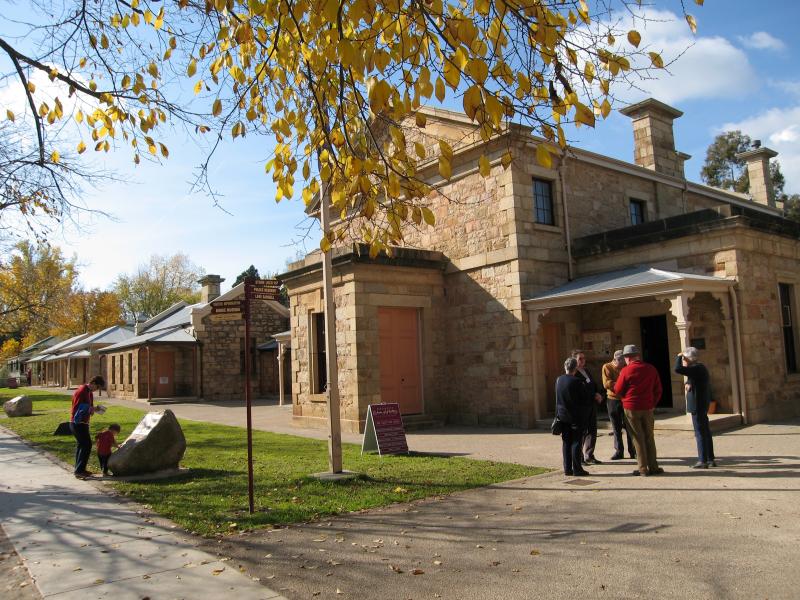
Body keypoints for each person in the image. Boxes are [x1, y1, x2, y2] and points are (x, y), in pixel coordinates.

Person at [614, 345, 664, 476]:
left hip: (631, 408)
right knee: (649, 436)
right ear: (638, 356)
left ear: (627, 358)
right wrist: (652, 403)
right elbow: (658, 389)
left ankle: (643, 468)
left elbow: (618, 390)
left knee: (637, 438)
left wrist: (625, 398)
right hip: (647, 407)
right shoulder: (651, 369)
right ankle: (653, 466)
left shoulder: (626, 371)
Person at [675, 347, 716, 468]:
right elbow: (691, 379)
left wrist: (678, 356)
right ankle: (710, 458)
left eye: (684, 359)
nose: (683, 360)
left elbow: (677, 369)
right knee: (705, 431)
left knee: (700, 432)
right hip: (701, 404)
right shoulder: (698, 368)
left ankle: (702, 460)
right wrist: (688, 383)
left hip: (698, 405)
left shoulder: (696, 368)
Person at [555, 356, 592, 476]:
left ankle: (567, 468)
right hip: (576, 416)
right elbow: (585, 399)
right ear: (575, 369)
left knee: (566, 442)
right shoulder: (577, 381)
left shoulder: (559, 380)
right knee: (576, 442)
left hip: (563, 415)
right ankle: (577, 468)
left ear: (565, 367)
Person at [602, 350, 636, 460]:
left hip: (626, 399)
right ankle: (619, 451)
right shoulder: (607, 367)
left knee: (629, 426)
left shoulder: (626, 367)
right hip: (613, 399)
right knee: (616, 427)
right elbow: (607, 383)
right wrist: (620, 385)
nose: (624, 363)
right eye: (622, 361)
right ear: (616, 359)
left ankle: (633, 451)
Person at [70, 375, 105, 479]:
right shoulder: (82, 391)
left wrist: (94, 409)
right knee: (86, 445)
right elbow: (78, 408)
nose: (97, 390)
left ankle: (79, 469)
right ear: (93, 383)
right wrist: (91, 409)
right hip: (77, 423)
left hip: (84, 423)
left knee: (82, 445)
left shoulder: (89, 393)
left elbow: (88, 407)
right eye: (97, 387)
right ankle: (79, 470)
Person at [572, 349, 604, 465]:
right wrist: (593, 395)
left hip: (591, 405)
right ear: (574, 360)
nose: (582, 361)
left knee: (592, 430)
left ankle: (589, 455)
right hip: (582, 407)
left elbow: (593, 385)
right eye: (580, 358)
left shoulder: (586, 371)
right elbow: (581, 390)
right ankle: (579, 457)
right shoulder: (574, 373)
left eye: (584, 358)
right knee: (582, 432)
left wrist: (598, 394)